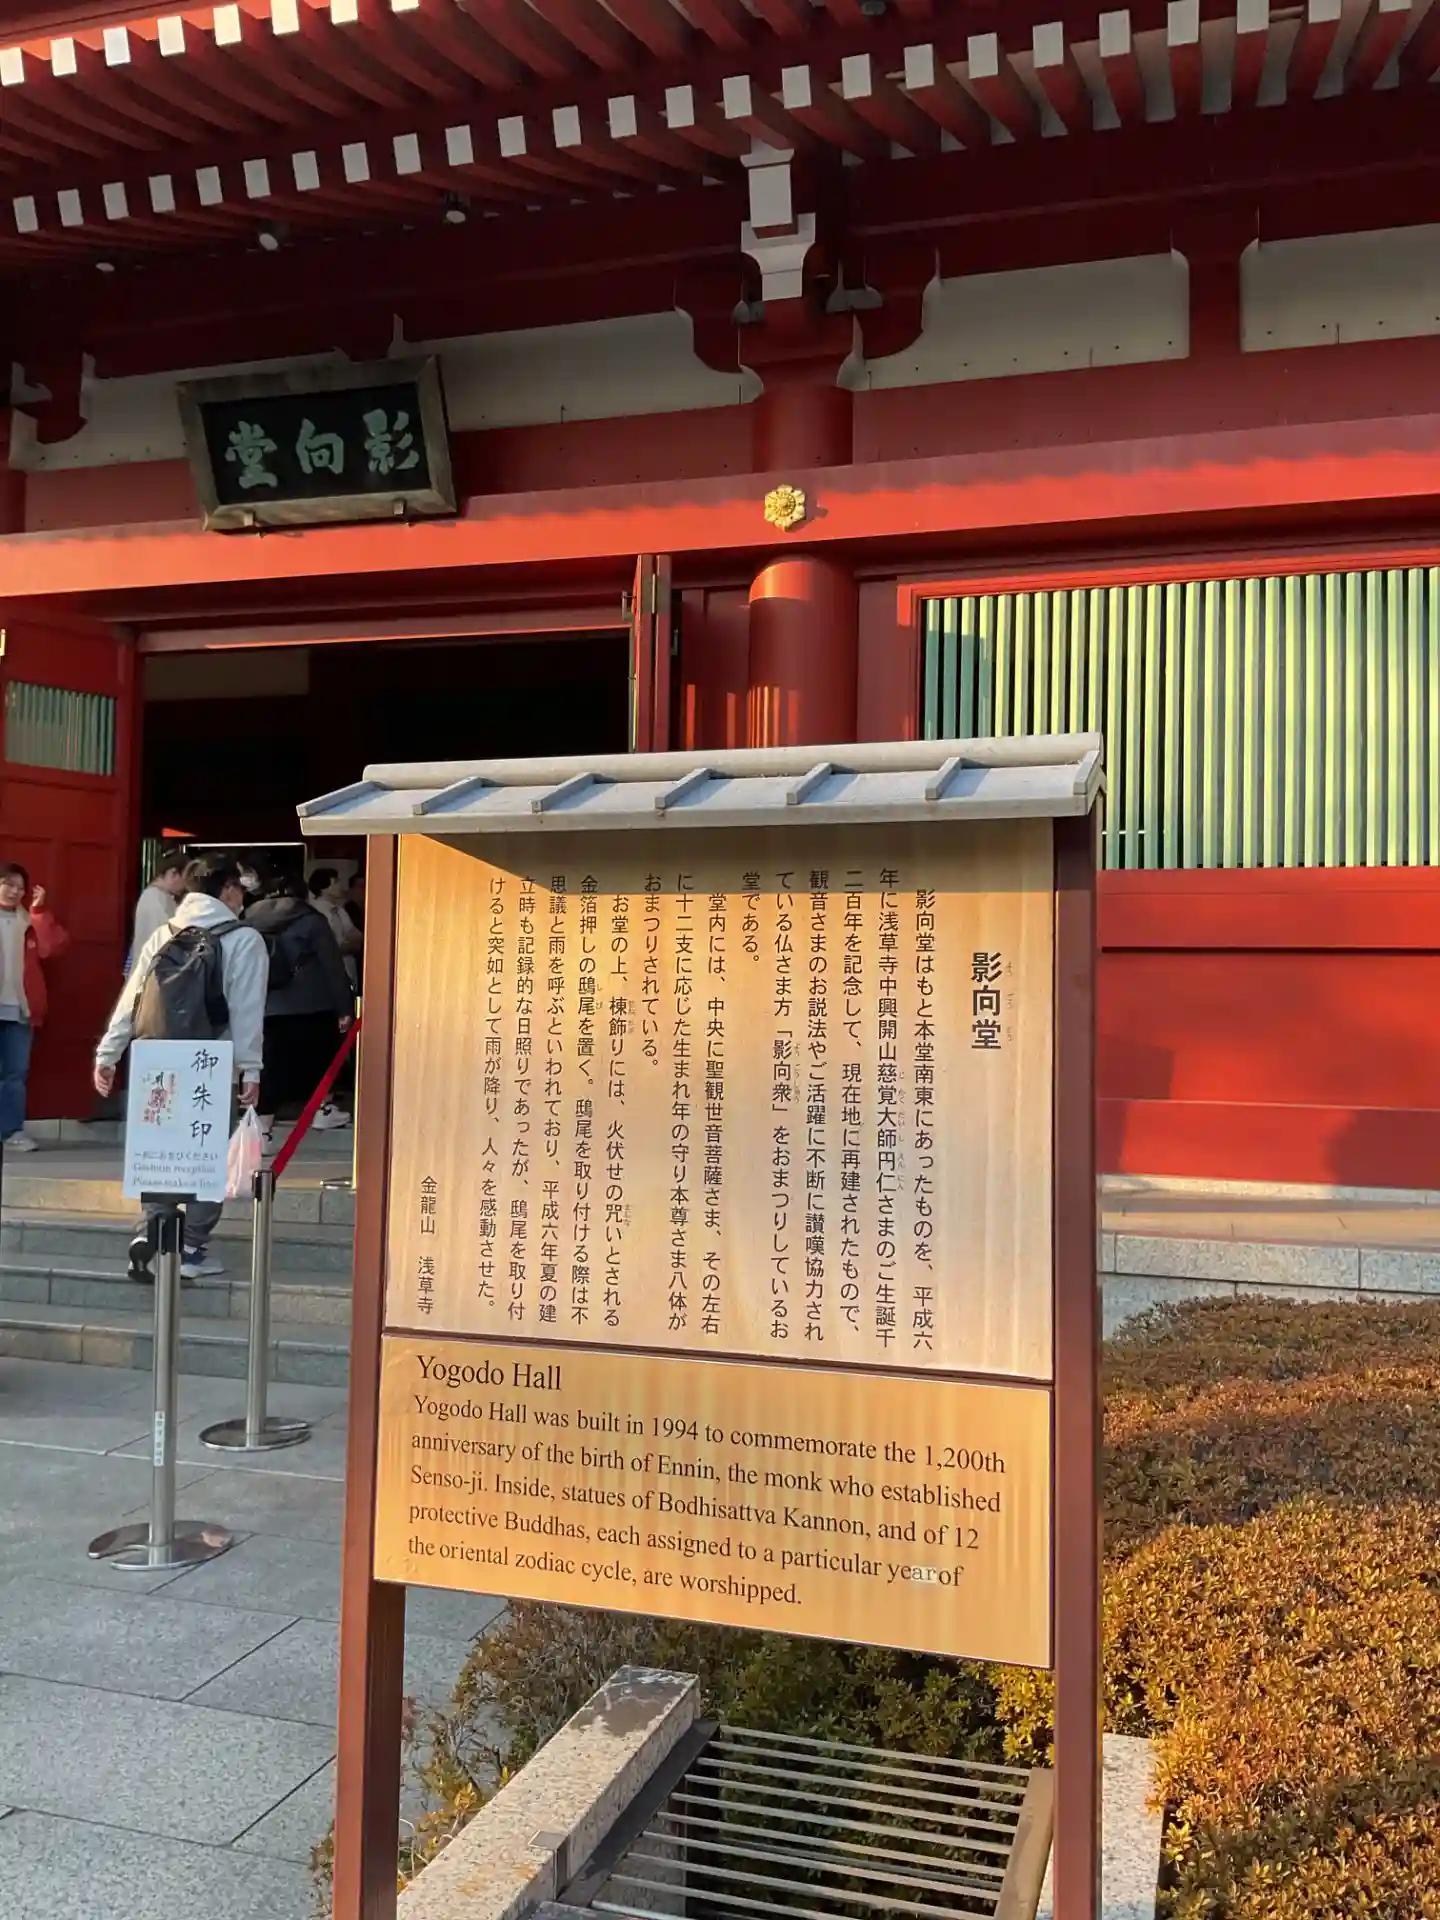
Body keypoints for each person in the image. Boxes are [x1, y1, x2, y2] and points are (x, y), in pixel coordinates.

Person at [93, 856, 267, 1282]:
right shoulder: (243, 939)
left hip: (158, 1060)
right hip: (212, 1060)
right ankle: (190, 1247)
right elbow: (246, 1009)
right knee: (210, 1154)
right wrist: (251, 1068)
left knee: (160, 1151)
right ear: (228, 889)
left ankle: (150, 1232)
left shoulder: (164, 933)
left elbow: (133, 998)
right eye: (239, 889)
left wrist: (108, 1053)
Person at [243, 874, 354, 1144]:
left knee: (270, 1069)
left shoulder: (251, 919)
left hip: (266, 1005)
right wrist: (344, 1006)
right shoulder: (312, 920)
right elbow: (331, 966)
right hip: (312, 1004)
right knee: (320, 1059)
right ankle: (322, 1108)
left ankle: (263, 1131)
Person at [0, 863, 70, 1154]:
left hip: (20, 1008)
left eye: (20, 887)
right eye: (8, 884)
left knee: (15, 1075)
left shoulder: (29, 920)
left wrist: (39, 912)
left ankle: (11, 1131)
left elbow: (51, 949)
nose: (14, 891)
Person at [128, 851, 187, 971]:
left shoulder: (159, 896)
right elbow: (166, 939)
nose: (185, 886)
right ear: (173, 873)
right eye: (184, 879)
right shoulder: (155, 899)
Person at [307, 867, 362, 987]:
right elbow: (328, 947)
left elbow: (357, 937)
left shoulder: (340, 910)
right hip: (327, 977)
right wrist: (342, 946)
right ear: (324, 887)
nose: (340, 886)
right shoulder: (316, 912)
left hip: (348, 972)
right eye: (336, 882)